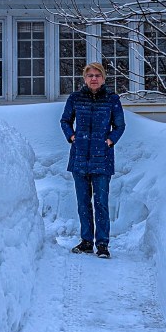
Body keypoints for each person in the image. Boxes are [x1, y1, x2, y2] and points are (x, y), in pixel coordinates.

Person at [60, 62, 125, 259]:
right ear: (85, 78)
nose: (94, 78)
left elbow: (120, 126)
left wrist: (110, 141)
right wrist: (72, 137)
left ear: (103, 78)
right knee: (83, 203)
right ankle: (86, 241)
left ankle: (103, 244)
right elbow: (65, 120)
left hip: (102, 160)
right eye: (90, 75)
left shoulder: (112, 99)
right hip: (79, 158)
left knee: (101, 203)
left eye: (98, 75)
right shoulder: (75, 98)